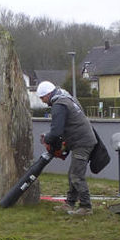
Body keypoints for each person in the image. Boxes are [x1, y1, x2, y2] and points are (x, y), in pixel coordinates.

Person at [37, 80, 97, 215]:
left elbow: (56, 132)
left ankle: (86, 207)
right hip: (82, 140)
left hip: (82, 142)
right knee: (73, 173)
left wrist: (46, 138)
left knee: (76, 175)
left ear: (47, 94)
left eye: (42, 98)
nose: (42, 101)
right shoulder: (67, 98)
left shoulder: (59, 105)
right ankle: (70, 203)